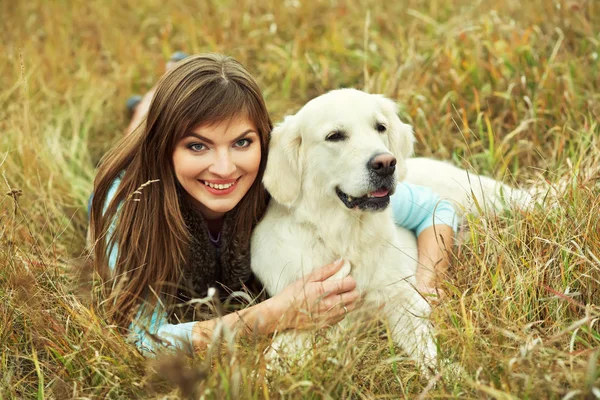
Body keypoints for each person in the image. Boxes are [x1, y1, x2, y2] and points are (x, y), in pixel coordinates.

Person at [88, 53, 457, 355]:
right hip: (138, 171)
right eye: (196, 145)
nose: (224, 168)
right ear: (166, 148)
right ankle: (154, 97)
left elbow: (431, 208)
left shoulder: (280, 175)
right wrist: (275, 314)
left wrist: (427, 286)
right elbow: (142, 341)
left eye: (242, 142)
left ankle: (170, 86)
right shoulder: (127, 208)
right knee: (140, 128)